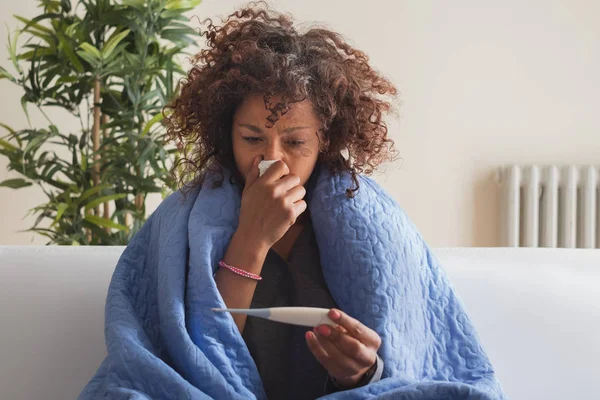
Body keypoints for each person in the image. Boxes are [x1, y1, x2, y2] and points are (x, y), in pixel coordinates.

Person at [80, 3, 506, 400]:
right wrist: (252, 236)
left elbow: (410, 370)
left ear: (326, 139)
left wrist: (361, 372)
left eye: (295, 142)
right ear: (225, 133)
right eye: (252, 138)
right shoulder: (183, 218)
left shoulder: (372, 221)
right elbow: (188, 362)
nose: (271, 160)